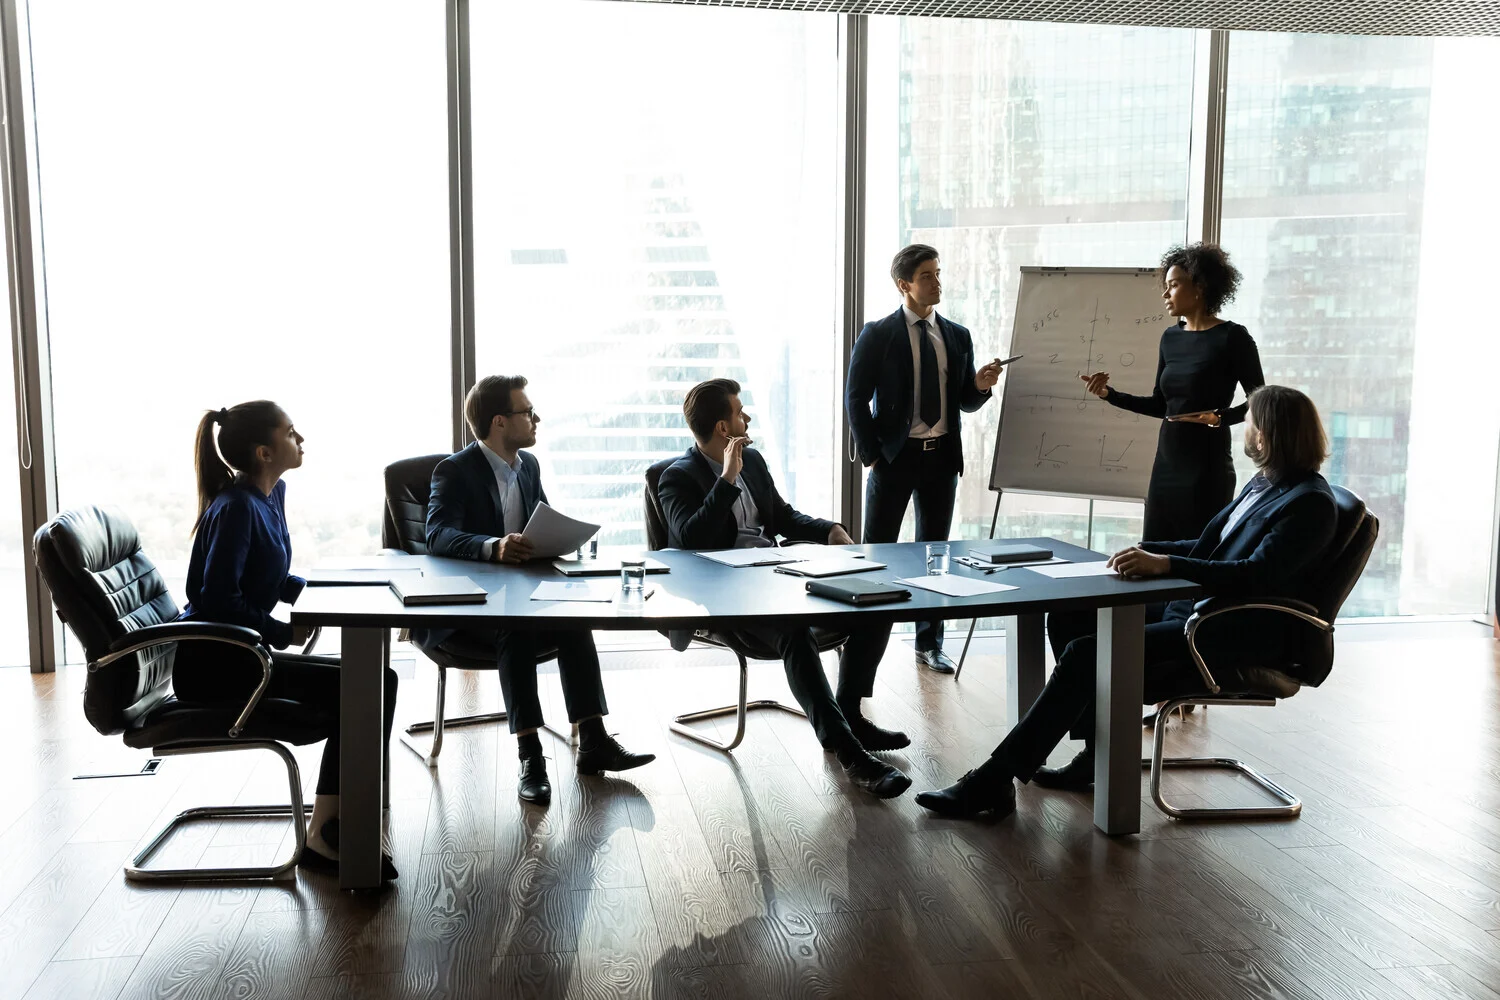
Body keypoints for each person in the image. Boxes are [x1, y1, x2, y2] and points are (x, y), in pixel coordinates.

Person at [915, 385, 1337, 819]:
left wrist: (1167, 565)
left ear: (1268, 434)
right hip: (1198, 609)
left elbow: (1253, 574)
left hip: (1227, 629)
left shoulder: (1310, 505)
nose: (1245, 430)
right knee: (1069, 614)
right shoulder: (1265, 485)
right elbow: (1212, 545)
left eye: (1251, 423)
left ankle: (993, 781)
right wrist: (1143, 549)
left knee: (1085, 654)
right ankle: (1096, 755)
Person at [176, 401, 400, 880]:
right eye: (292, 433)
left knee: (381, 680)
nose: (302, 441)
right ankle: (333, 833)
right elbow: (216, 599)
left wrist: (325, 593)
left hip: (240, 654)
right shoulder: (237, 508)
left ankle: (345, 821)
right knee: (369, 684)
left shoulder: (268, 495)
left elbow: (270, 575)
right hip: (216, 664)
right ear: (263, 451)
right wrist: (281, 631)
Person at [657, 378, 911, 799]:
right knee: (793, 631)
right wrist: (726, 479)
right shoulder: (675, 477)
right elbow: (689, 540)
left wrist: (828, 529)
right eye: (740, 411)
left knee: (872, 598)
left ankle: (848, 711)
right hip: (723, 598)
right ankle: (850, 753)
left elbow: (782, 517)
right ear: (724, 428)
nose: (748, 417)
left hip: (774, 576)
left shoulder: (753, 462)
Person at [413, 375, 655, 807]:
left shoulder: (529, 467)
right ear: (501, 422)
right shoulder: (454, 471)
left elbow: (537, 523)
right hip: (468, 614)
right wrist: (493, 547)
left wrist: (561, 538)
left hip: (520, 594)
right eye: (528, 411)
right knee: (518, 629)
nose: (536, 418)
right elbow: (437, 535)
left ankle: (594, 741)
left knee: (572, 618)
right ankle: (531, 757)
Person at [846, 244, 1004, 674]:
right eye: (928, 276)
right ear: (905, 285)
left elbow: (965, 402)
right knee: (877, 553)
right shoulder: (878, 333)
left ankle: (928, 644)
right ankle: (859, 643)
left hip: (941, 461)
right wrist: (873, 457)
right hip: (894, 459)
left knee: (936, 554)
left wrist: (982, 385)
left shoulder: (956, 335)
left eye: (938, 273)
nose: (937, 282)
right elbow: (855, 398)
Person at [1080, 242, 1265, 545]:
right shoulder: (1170, 337)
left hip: (1207, 467)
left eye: (1174, 285)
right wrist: (1108, 394)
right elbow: (1160, 405)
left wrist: (1219, 418)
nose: (1165, 294)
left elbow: (1261, 401)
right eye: (1165, 286)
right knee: (1154, 550)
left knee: (1196, 555)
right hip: (1166, 464)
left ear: (1200, 286)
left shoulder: (1233, 337)